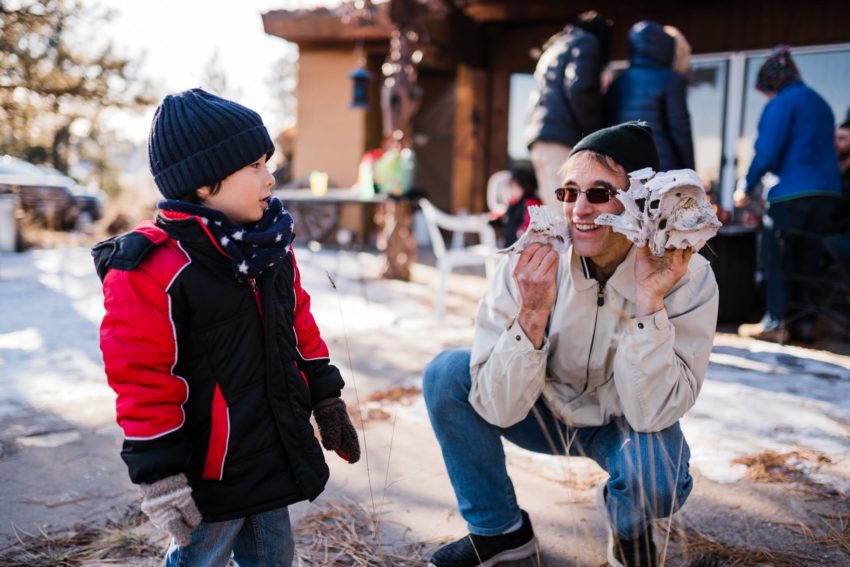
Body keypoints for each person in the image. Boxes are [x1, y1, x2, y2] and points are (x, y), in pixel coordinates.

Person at [424, 121, 718, 567]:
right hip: (536, 409)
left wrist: (649, 302)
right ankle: (500, 533)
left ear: (639, 201)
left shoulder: (688, 278)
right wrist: (532, 313)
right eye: (567, 193)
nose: (579, 208)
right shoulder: (528, 263)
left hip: (622, 424)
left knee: (657, 476)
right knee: (446, 374)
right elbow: (498, 407)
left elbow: (654, 413)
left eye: (599, 193)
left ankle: (629, 527)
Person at [93, 89, 360, 567]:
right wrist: (161, 476)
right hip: (208, 469)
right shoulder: (155, 268)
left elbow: (299, 325)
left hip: (270, 445)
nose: (270, 176)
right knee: (203, 558)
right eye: (254, 166)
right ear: (202, 183)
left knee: (274, 556)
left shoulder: (269, 246)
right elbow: (143, 380)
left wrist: (326, 394)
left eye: (267, 162)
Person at [734, 47, 842, 344]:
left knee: (778, 259)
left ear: (771, 85)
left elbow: (767, 152)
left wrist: (746, 185)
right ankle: (805, 323)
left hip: (791, 193)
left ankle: (776, 322)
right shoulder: (820, 103)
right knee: (808, 260)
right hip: (827, 193)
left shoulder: (782, 103)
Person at [525, 10, 613, 211]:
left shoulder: (557, 46)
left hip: (538, 138)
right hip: (561, 138)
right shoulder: (587, 42)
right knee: (569, 213)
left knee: (556, 216)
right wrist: (597, 136)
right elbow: (579, 87)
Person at [605, 21, 695, 171]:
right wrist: (691, 172)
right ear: (665, 47)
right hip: (661, 170)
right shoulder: (671, 79)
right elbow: (680, 132)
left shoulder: (618, 83)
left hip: (624, 170)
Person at [495, 167, 542, 247]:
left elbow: (531, 223)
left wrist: (523, 231)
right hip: (509, 244)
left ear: (526, 187)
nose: (512, 191)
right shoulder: (514, 202)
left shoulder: (531, 203)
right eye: (511, 187)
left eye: (515, 187)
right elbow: (507, 219)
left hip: (521, 247)